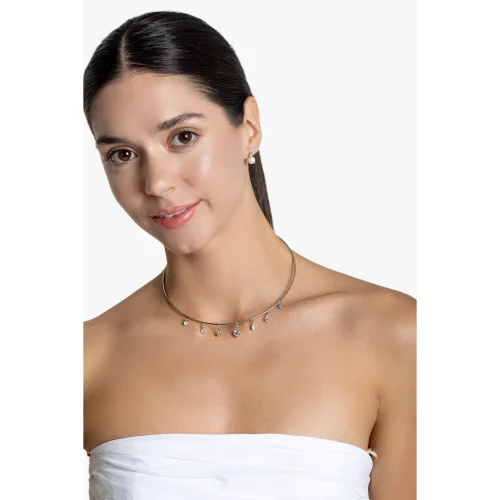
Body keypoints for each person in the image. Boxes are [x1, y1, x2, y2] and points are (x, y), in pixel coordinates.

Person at [83, 10, 416, 500]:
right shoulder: (89, 356)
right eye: (122, 154)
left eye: (182, 137)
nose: (156, 183)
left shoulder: (392, 336)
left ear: (250, 128)